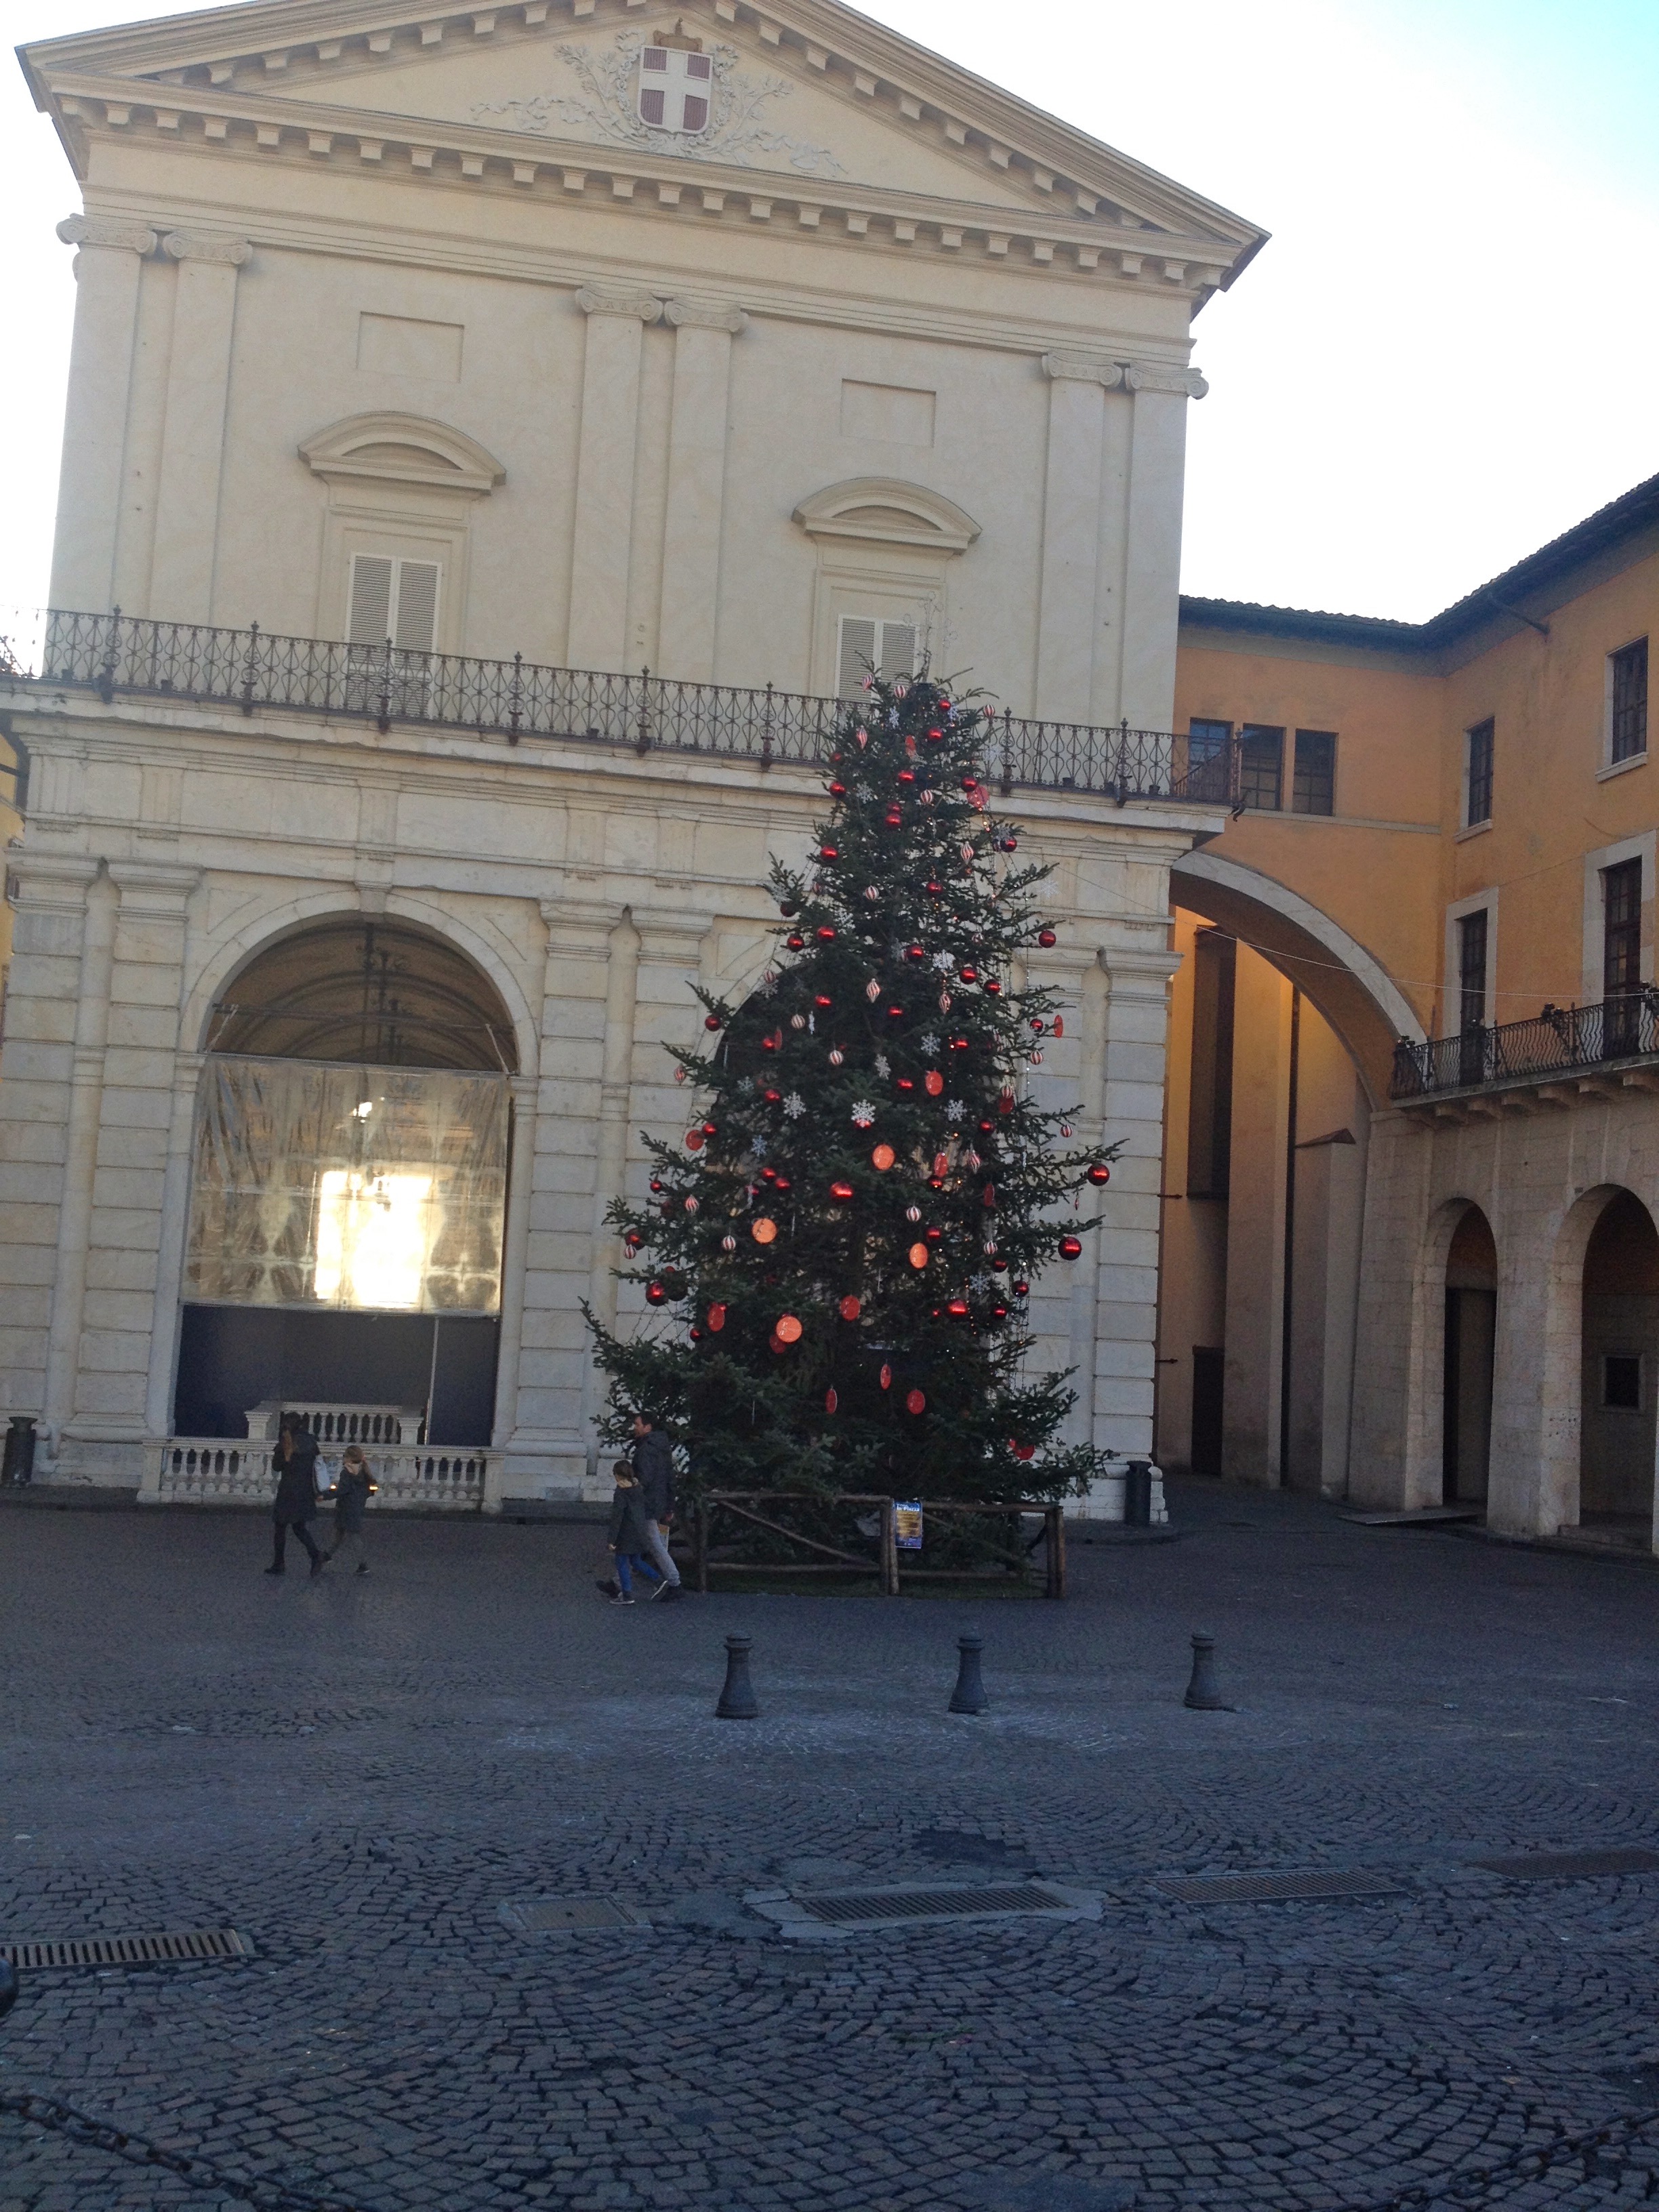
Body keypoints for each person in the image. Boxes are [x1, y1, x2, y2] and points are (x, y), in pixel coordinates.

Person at [629, 1412, 682, 1601]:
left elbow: (644, 1479)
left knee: (652, 1544)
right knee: (635, 1542)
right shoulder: (662, 1448)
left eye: (637, 1424)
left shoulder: (646, 1450)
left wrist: (630, 1495)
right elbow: (669, 1479)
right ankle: (618, 1583)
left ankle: (674, 1583)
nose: (634, 1428)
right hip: (655, 1502)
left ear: (648, 1427)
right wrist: (669, 1506)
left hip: (645, 1504)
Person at [597, 1460, 665, 1606]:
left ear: (618, 1475)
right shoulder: (637, 1488)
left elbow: (618, 1517)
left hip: (625, 1533)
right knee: (636, 1561)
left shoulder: (621, 1493)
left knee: (621, 1562)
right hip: (639, 1531)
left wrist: (611, 1540)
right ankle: (659, 1581)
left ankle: (627, 1594)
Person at [266, 1412, 326, 1576]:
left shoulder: (286, 1442)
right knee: (299, 1527)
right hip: (305, 1490)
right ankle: (315, 1555)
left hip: (288, 1490)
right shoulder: (311, 1442)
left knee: (280, 1527)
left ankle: (279, 1563)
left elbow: (277, 1467)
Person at [327, 1444, 376, 1575]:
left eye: (345, 1456)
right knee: (341, 1533)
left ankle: (363, 1564)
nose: (343, 1458)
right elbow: (370, 1491)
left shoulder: (346, 1472)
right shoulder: (364, 1472)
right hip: (357, 1507)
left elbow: (343, 1490)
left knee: (349, 1535)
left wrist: (326, 1495)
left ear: (349, 1458)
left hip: (346, 1507)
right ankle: (327, 1555)